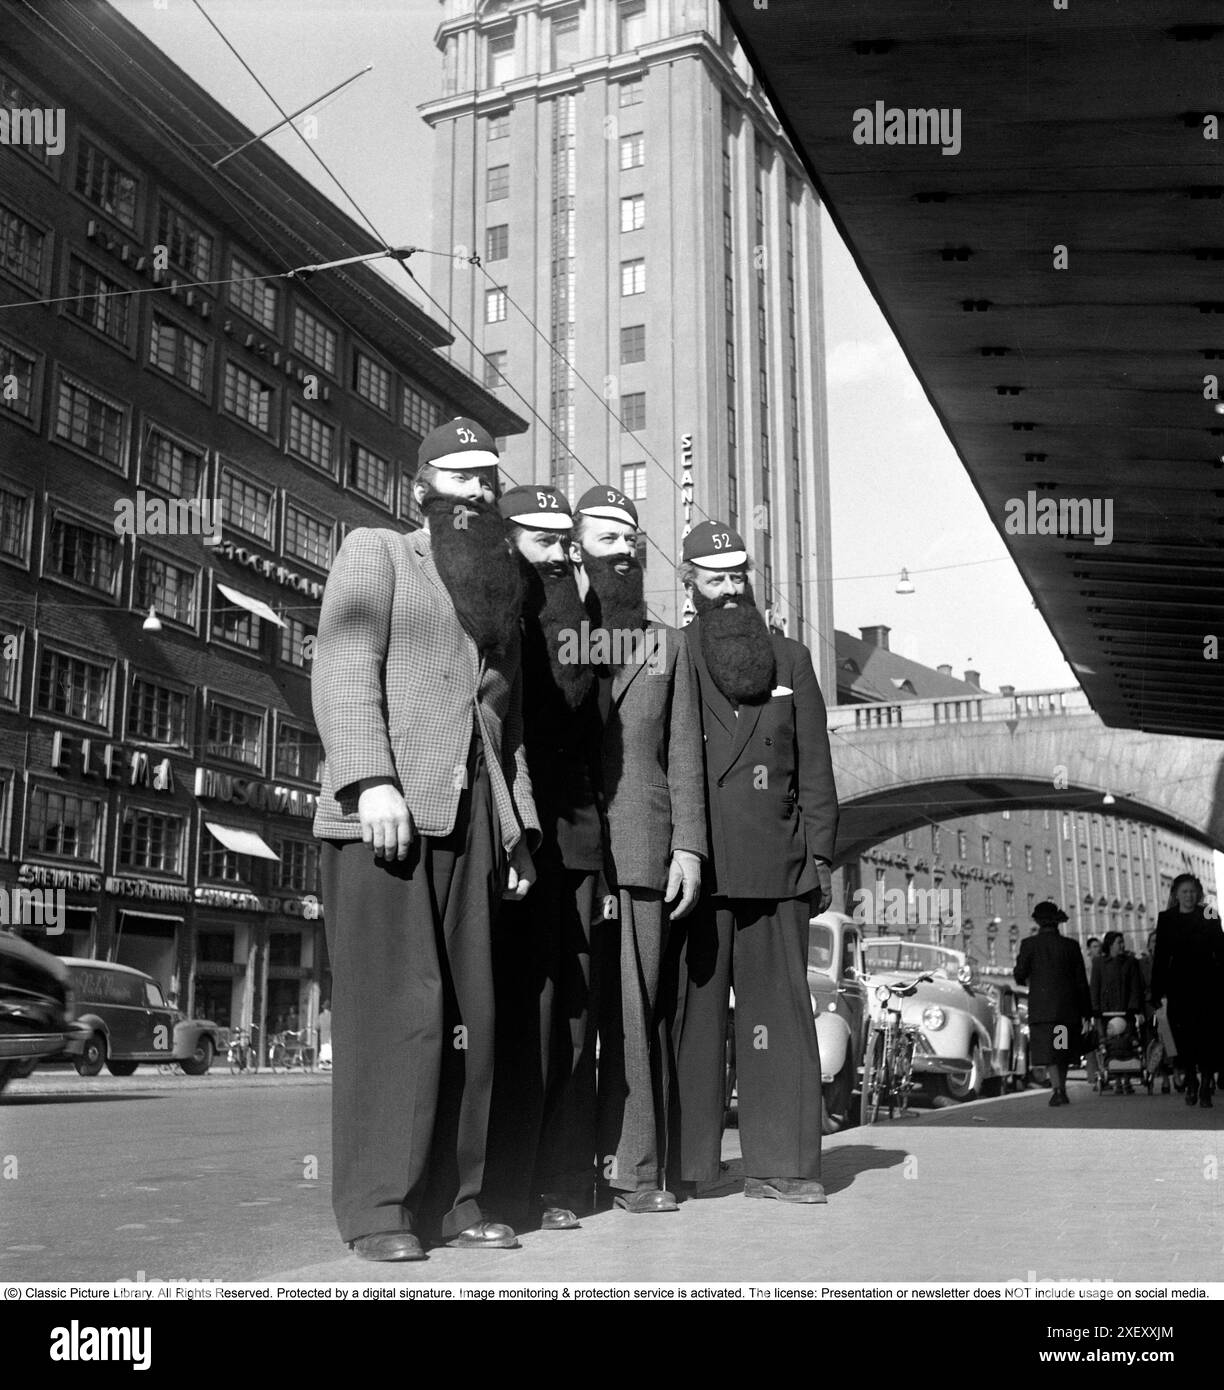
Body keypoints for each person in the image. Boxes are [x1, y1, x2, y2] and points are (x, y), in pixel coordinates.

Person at [311, 417, 538, 1261]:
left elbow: (498, 728)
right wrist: (371, 778)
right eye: (461, 475)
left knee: (470, 1018)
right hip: (383, 819)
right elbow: (341, 665)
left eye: (488, 478)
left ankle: (457, 1201)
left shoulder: (494, 588)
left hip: (473, 822)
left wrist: (517, 834)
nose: (479, 489)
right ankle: (378, 1212)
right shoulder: (376, 552)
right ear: (423, 488)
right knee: (397, 1017)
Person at [672, 522, 838, 1204]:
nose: (731, 588)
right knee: (694, 1021)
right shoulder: (672, 653)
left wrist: (820, 857)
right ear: (692, 585)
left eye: (739, 576)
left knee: (778, 1019)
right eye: (715, 579)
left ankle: (781, 1165)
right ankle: (687, 1167)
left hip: (779, 865)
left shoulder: (790, 660)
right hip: (699, 866)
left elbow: (817, 770)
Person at [573, 484, 706, 1214]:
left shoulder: (667, 643)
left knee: (635, 1013)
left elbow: (682, 754)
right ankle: (558, 1172)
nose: (624, 548)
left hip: (644, 848)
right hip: (565, 845)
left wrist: (688, 847)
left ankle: (634, 1169)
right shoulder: (551, 629)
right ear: (577, 547)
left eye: (632, 537)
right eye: (607, 536)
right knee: (563, 1014)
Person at [484, 485, 605, 1231]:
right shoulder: (497, 615)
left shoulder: (584, 624)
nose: (561, 554)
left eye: (568, 541)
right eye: (543, 540)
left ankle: (558, 1181)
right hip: (519, 834)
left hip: (581, 842)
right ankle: (506, 1184)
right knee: (518, 1011)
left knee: (571, 1016)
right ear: (510, 542)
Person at [1151, 874, 1224, 1108]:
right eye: (1184, 892)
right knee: (1183, 1038)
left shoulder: (1209, 913)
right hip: (1178, 986)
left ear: (1199, 893)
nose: (1189, 896)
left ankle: (1205, 1085)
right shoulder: (1167, 918)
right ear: (1175, 894)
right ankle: (1191, 1080)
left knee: (1206, 1036)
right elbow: (1161, 957)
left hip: (1207, 984)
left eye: (1193, 891)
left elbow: (1222, 951)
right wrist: (1156, 990)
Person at [1014, 900, 1091, 1106]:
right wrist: (1087, 1012)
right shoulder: (1071, 946)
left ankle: (1057, 1089)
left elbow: (1019, 974)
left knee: (1049, 1052)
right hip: (1065, 1010)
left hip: (1042, 1010)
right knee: (1061, 1050)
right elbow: (1081, 982)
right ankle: (1061, 1088)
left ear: (1038, 922)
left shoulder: (1029, 945)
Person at [1090, 931, 1143, 1094]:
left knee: (1127, 1043)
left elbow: (1135, 986)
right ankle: (1116, 1078)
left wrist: (1134, 1007)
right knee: (1110, 1044)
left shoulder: (1130, 962)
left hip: (1125, 1010)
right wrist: (1095, 1009)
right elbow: (1095, 987)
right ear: (1110, 944)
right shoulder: (1099, 963)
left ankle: (1126, 1078)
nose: (1122, 945)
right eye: (1119, 942)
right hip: (1107, 1011)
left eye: (1122, 942)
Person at [1083, 937, 1103, 1089]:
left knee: (1100, 1041)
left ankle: (1101, 1073)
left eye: (1099, 946)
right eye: (1095, 946)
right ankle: (1093, 1075)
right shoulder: (1086, 966)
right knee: (1091, 1042)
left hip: (1100, 1009)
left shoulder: (1102, 963)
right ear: (1089, 949)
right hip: (1088, 1009)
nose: (1098, 949)